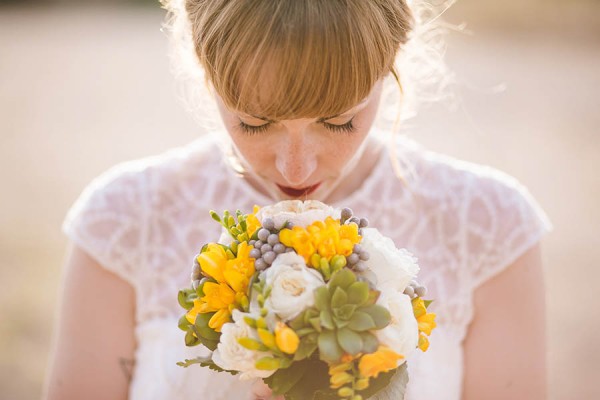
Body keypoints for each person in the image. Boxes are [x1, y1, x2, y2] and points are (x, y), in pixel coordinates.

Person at [44, 1, 551, 399]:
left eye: (338, 121)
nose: (296, 169)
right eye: (254, 122)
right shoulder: (123, 218)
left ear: (391, 62)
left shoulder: (490, 226)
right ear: (203, 68)